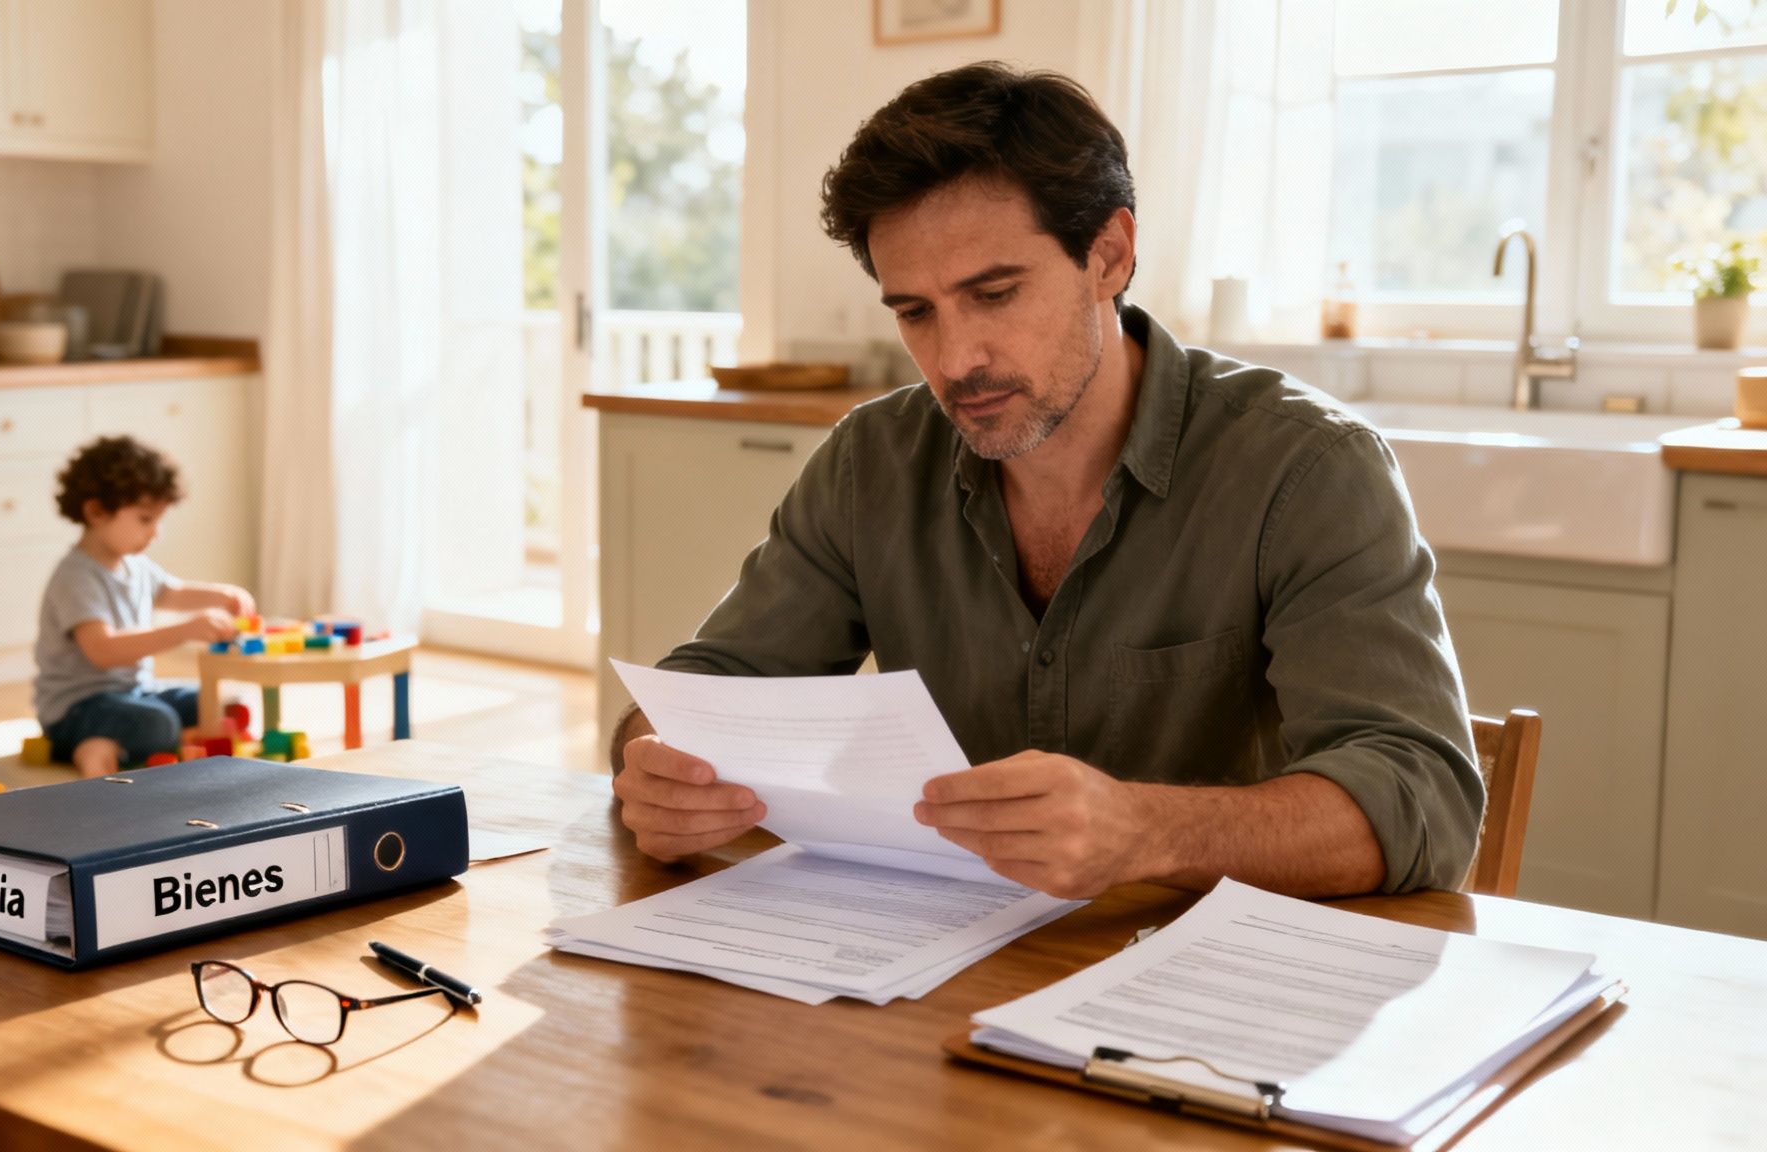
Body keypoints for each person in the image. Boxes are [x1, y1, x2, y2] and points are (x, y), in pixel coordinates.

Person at [609, 62, 1483, 900]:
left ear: (1110, 255)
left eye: (994, 294)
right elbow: (706, 689)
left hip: (1199, 969)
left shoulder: (1306, 468)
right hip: (932, 961)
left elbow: (1425, 797)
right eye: (915, 311)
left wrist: (1145, 830)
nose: (956, 358)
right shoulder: (869, 461)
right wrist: (654, 763)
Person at [34, 435, 254, 776]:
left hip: (134, 692)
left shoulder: (134, 564)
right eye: (145, 519)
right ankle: (93, 747)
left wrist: (223, 596)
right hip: (77, 708)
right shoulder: (76, 576)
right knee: (156, 723)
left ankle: (173, 740)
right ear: (96, 511)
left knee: (217, 698)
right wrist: (184, 631)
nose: (155, 533)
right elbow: (102, 650)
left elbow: (172, 593)